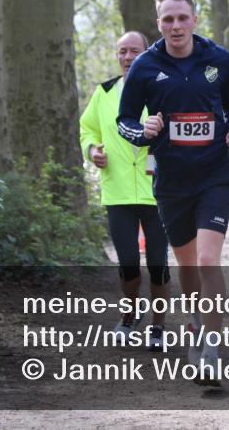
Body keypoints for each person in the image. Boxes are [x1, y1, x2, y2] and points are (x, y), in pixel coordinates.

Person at [117, 0, 229, 386]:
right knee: (188, 265)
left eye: (182, 18)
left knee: (208, 261)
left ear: (194, 20)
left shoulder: (218, 59)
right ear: (159, 23)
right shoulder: (144, 66)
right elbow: (126, 121)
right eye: (168, 19)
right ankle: (193, 318)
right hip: (171, 180)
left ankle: (211, 347)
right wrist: (145, 130)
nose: (176, 26)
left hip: (213, 176)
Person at [79, 30, 170, 351]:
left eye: (134, 51)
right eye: (122, 52)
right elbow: (87, 128)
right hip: (117, 191)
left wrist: (161, 156)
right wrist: (92, 151)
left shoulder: (163, 86)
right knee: (128, 262)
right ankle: (129, 316)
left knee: (158, 264)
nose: (128, 57)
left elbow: (176, 129)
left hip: (157, 192)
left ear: (147, 54)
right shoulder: (103, 92)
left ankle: (158, 327)